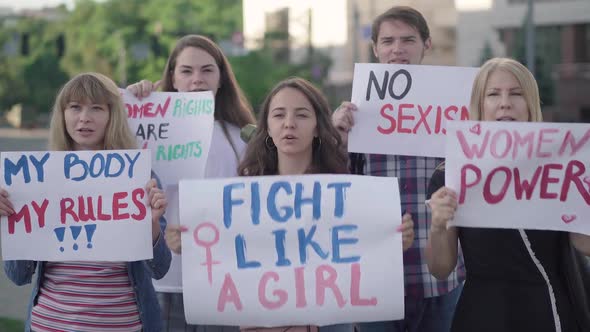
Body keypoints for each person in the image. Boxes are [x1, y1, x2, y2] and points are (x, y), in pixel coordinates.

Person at [166, 77, 415, 331]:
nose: (289, 124)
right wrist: (187, 243)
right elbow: (226, 254)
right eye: (278, 115)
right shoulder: (242, 196)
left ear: (318, 126)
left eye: (302, 115)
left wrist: (393, 241)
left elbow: (363, 256)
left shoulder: (347, 193)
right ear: (267, 127)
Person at [426, 57, 590, 332]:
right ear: (479, 104)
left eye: (516, 93)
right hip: (483, 311)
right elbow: (440, 268)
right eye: (493, 94)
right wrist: (438, 225)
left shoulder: (560, 164)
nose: (505, 102)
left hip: (550, 308)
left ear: (530, 104)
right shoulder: (450, 174)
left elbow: (584, 244)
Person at [1, 72, 171, 332]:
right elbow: (18, 275)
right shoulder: (35, 177)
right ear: (63, 114)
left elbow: (159, 269)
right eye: (75, 107)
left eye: (96, 108)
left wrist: (152, 227)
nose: (84, 117)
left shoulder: (140, 176)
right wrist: (9, 219)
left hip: (121, 326)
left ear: (112, 115)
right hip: (50, 324)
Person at [331, 6, 464, 332]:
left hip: (439, 273)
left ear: (426, 44)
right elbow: (333, 188)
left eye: (408, 39)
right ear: (375, 48)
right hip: (373, 275)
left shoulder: (454, 106)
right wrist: (336, 138)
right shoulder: (354, 112)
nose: (397, 49)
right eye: (388, 41)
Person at [127, 34, 256, 332]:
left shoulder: (244, 139)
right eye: (186, 71)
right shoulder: (143, 129)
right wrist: (129, 107)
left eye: (207, 70)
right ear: (172, 77)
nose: (197, 79)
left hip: (224, 283)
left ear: (222, 78)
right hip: (163, 282)